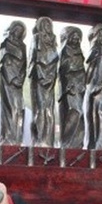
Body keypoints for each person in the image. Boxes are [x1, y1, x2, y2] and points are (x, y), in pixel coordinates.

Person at [29, 16, 58, 147]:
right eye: (44, 24)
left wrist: (50, 75)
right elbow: (32, 58)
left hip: (50, 78)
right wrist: (38, 74)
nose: (46, 27)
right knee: (40, 109)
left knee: (49, 110)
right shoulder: (36, 38)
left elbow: (55, 59)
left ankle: (48, 139)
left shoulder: (53, 41)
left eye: (48, 24)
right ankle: (40, 139)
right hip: (39, 79)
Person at [83, 24, 102, 150]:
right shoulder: (94, 50)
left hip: (101, 89)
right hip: (91, 87)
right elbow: (89, 69)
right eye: (99, 34)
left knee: (100, 113)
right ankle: (91, 143)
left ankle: (100, 143)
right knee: (89, 113)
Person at [0, 20, 27, 145]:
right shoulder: (6, 43)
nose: (17, 33)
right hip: (9, 80)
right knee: (10, 106)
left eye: (20, 32)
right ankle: (8, 137)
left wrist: (20, 77)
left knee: (18, 108)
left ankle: (16, 137)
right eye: (16, 30)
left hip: (18, 82)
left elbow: (24, 64)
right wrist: (12, 77)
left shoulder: (23, 46)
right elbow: (5, 62)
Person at [57, 25, 85, 149]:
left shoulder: (79, 52)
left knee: (79, 112)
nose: (75, 39)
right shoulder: (65, 51)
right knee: (73, 111)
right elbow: (63, 68)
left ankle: (77, 143)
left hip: (79, 86)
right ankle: (67, 143)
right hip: (69, 87)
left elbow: (82, 70)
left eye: (77, 37)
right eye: (73, 36)